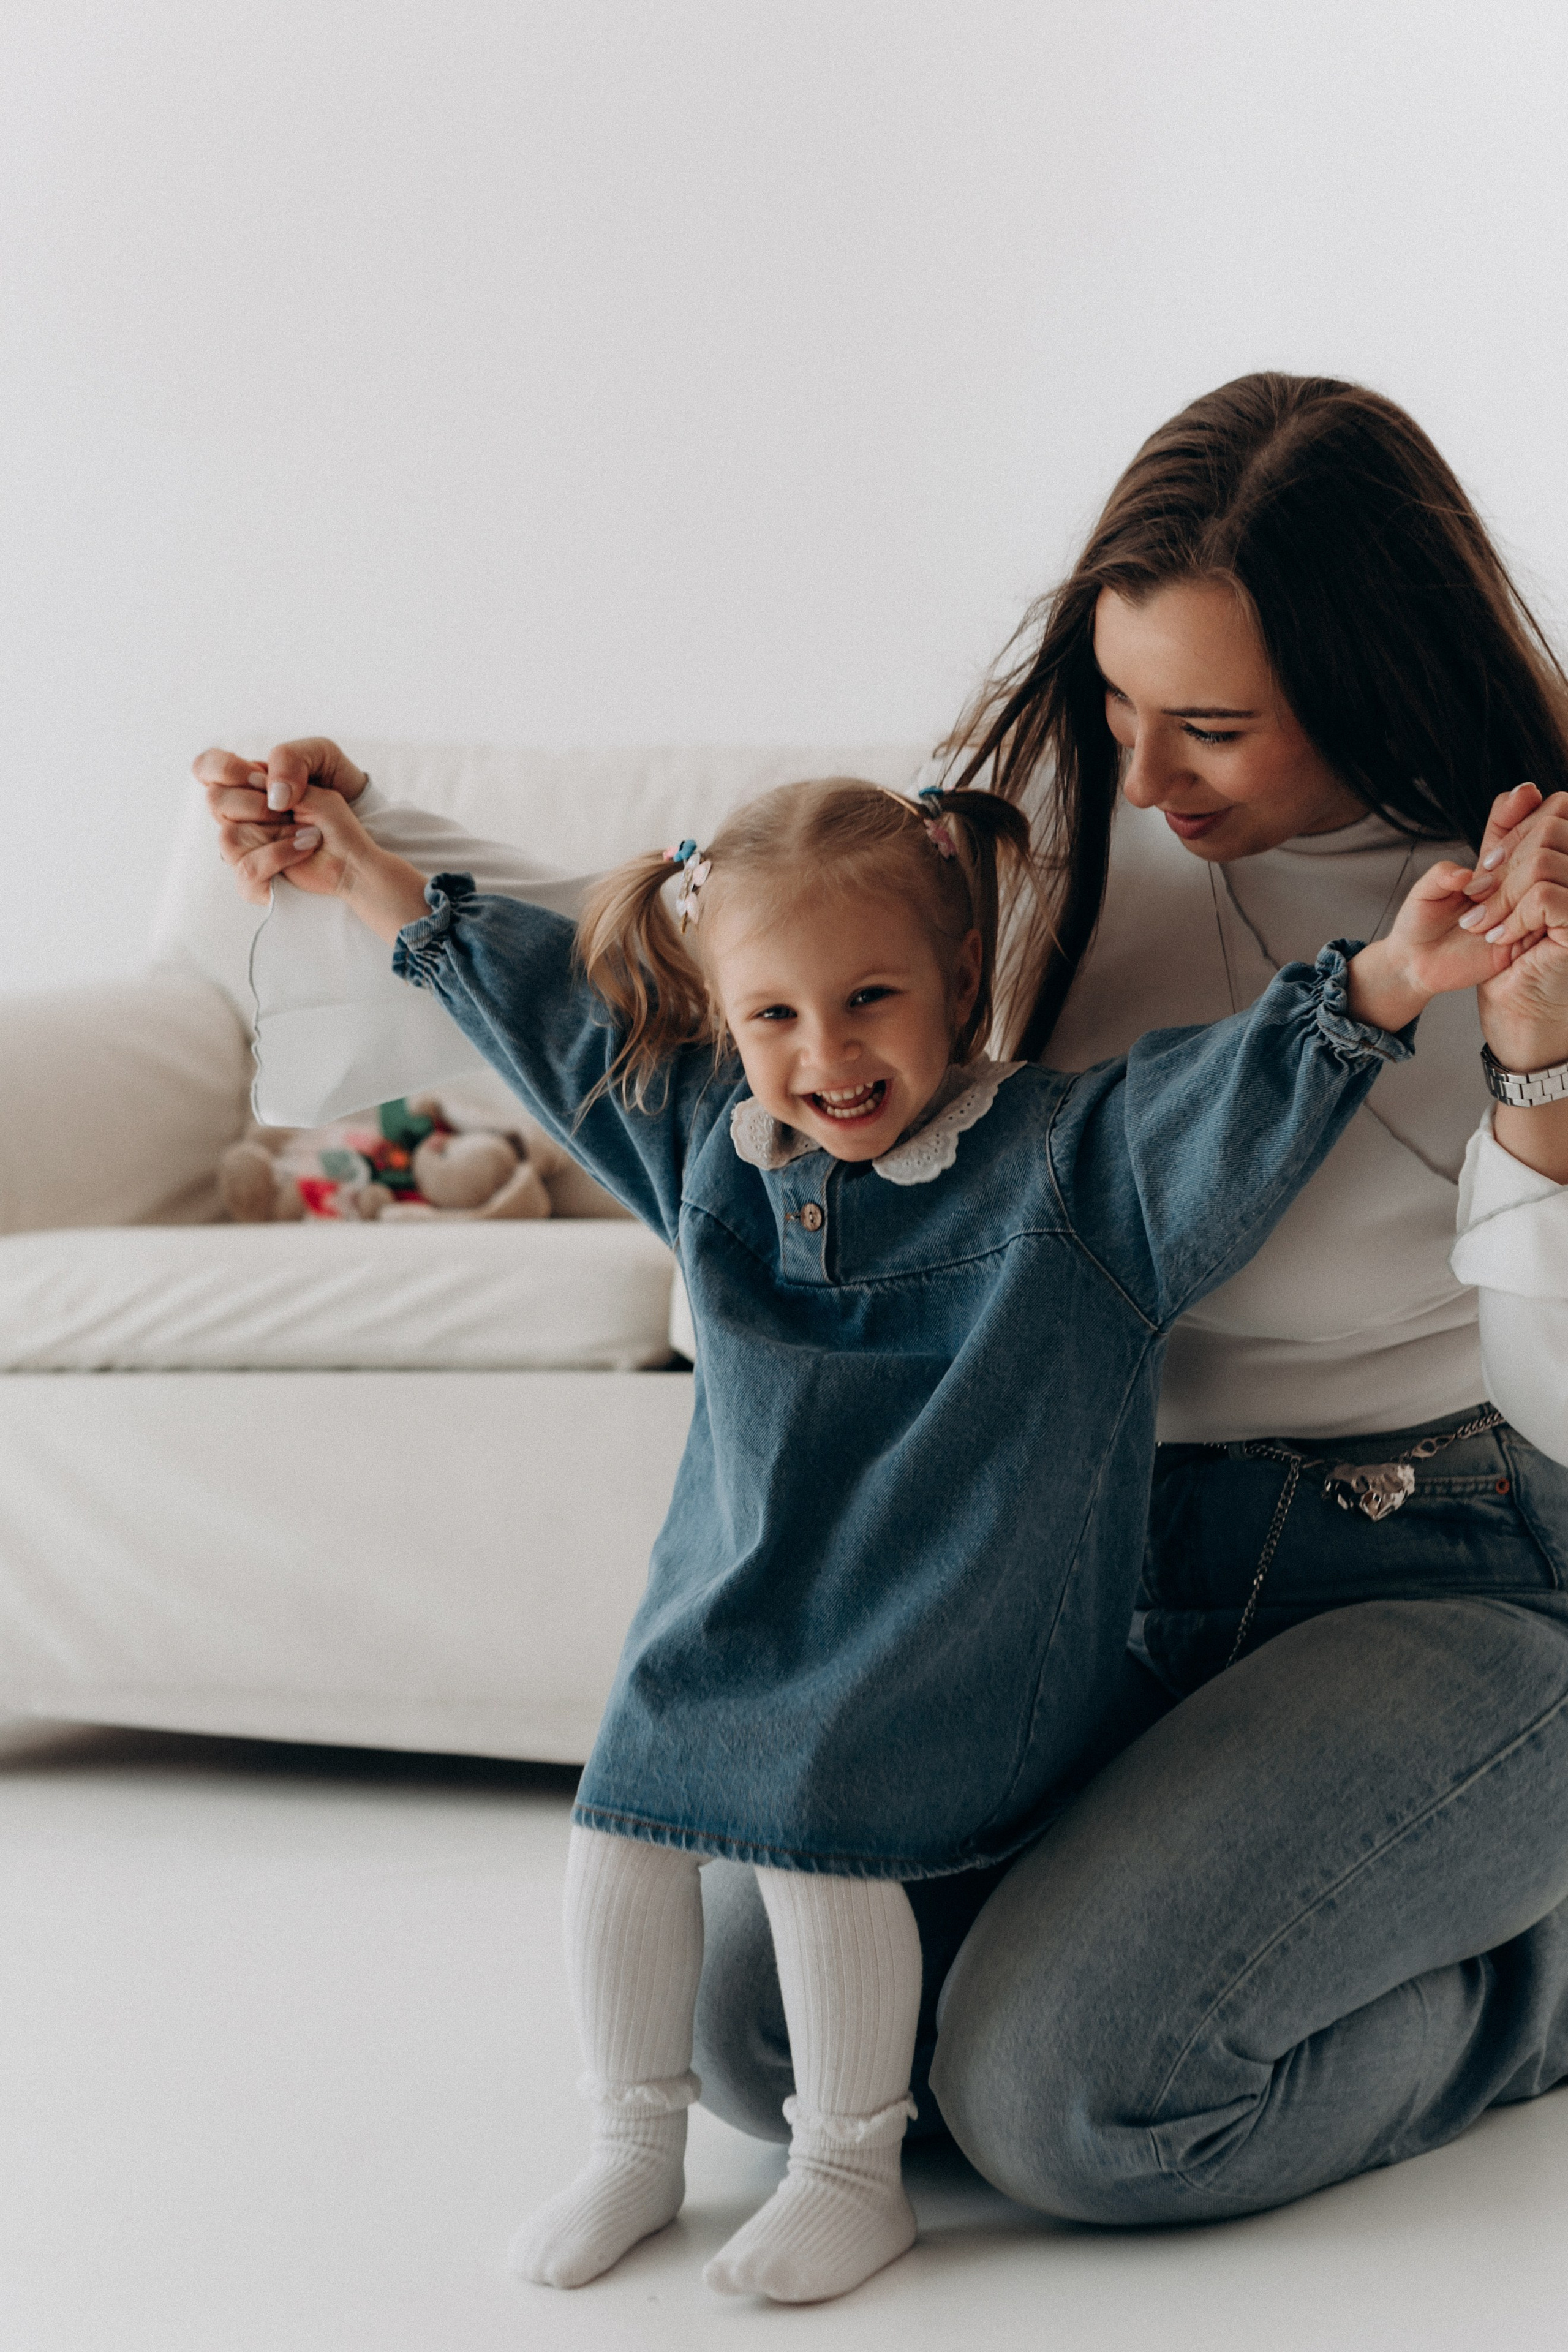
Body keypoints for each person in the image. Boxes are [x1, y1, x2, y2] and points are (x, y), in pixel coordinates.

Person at [195, 370, 1568, 2225]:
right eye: (1116, 705)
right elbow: (719, 948)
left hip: (1452, 1566)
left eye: (1213, 728)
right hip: (1089, 1573)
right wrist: (372, 851)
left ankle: (1533, 1979)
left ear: (1372, 677)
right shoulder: (1053, 851)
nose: (1145, 776)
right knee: (764, 2040)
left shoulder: (1523, 910)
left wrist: (1540, 1067)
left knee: (1073, 2101)